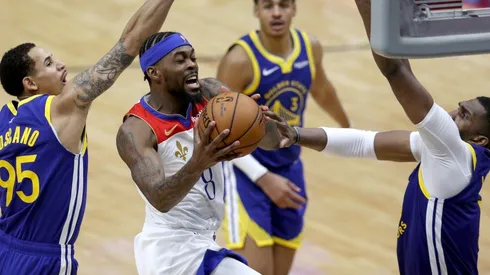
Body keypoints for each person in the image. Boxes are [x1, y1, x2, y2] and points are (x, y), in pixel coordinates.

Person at [263, 0, 490, 274]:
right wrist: (296, 134)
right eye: (459, 107)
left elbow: (395, 71)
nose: (451, 113)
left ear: (480, 140)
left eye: (463, 115)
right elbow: (363, 144)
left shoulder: (453, 152)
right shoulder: (445, 155)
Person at [0, 0, 177, 273]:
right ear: (30, 83)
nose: (60, 65)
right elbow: (129, 44)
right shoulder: (61, 108)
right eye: (48, 63)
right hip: (44, 258)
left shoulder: (4, 120)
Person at [115, 31, 283, 275]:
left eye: (192, 57)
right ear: (155, 72)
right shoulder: (136, 130)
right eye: (180, 60)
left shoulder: (210, 93)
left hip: (203, 241)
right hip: (171, 252)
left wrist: (256, 118)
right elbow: (160, 199)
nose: (192, 64)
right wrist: (199, 162)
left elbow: (272, 142)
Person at [215, 0, 350, 274]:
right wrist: (262, 177)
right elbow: (218, 132)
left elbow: (321, 89)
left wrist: (348, 129)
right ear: (256, 11)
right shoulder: (239, 60)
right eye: (267, 6)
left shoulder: (309, 47)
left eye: (283, 4)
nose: (276, 12)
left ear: (294, 8)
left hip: (290, 168)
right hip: (245, 173)